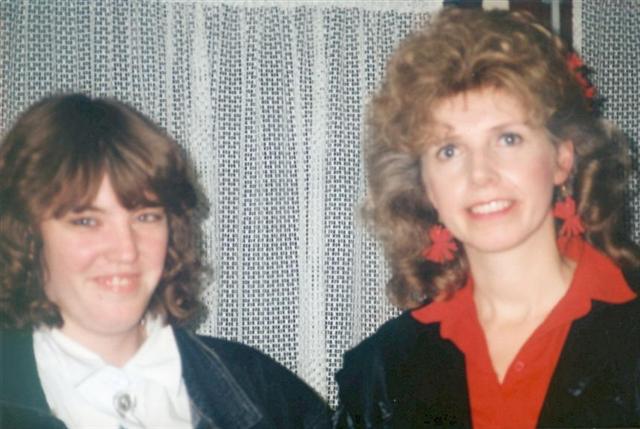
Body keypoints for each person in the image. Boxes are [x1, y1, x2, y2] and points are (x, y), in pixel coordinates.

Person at [334, 7, 640, 429]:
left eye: (508, 139)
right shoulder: (382, 370)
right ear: (426, 185)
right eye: (449, 150)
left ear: (562, 158)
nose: (480, 174)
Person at [0, 94, 331, 429]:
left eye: (146, 217)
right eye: (87, 221)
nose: (126, 250)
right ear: (27, 235)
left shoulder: (263, 390)